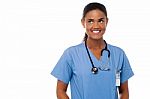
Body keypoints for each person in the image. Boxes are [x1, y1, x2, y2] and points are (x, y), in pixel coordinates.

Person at [51, 2, 134, 99]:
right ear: (83, 22)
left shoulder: (119, 54)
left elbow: (124, 91)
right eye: (90, 21)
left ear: (107, 21)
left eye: (100, 21)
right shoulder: (71, 54)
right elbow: (60, 90)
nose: (96, 26)